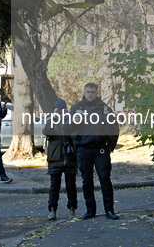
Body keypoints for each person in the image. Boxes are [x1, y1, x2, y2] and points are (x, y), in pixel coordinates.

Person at [67, 82, 119, 220]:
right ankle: (90, 211)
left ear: (97, 93)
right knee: (86, 181)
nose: (90, 94)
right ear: (84, 92)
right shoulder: (77, 108)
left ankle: (109, 210)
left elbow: (114, 127)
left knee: (105, 179)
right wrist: (73, 121)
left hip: (101, 148)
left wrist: (111, 146)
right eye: (88, 92)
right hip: (83, 149)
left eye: (93, 92)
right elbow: (66, 128)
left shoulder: (104, 109)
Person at [43, 99, 78, 220]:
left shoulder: (70, 119)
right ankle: (52, 210)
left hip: (69, 157)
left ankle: (72, 209)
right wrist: (54, 117)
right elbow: (46, 131)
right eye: (58, 110)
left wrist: (69, 117)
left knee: (71, 186)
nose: (60, 112)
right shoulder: (51, 120)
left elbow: (76, 133)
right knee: (54, 186)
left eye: (62, 110)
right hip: (55, 157)